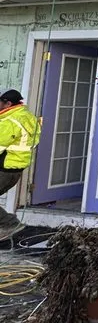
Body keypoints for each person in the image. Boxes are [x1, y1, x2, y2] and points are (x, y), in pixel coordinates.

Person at [0, 89, 41, 239]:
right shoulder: (27, 116)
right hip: (15, 168)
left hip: (5, 167)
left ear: (7, 103)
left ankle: (11, 224)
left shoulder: (10, 121)